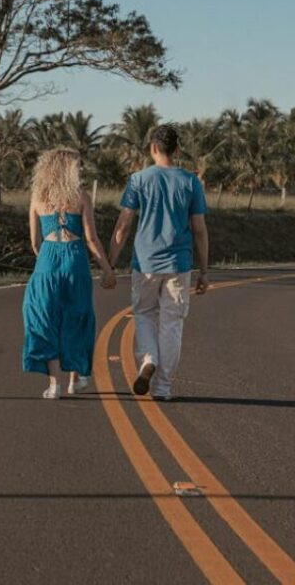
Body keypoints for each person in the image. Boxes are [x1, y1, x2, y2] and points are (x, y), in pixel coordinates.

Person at [108, 125, 209, 401]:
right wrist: (204, 270)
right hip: (179, 264)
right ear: (177, 150)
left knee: (144, 314)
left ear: (153, 148)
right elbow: (199, 229)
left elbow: (123, 225)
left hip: (146, 263)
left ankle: (148, 359)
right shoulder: (191, 182)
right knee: (172, 323)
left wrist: (110, 263)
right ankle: (163, 387)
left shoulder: (139, 180)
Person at [22, 148, 116, 399]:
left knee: (43, 318)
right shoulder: (82, 197)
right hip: (76, 260)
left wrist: (47, 259)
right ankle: (76, 378)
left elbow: (34, 242)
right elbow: (92, 239)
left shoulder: (37, 198)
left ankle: (55, 385)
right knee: (78, 315)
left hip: (47, 260)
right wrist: (107, 270)